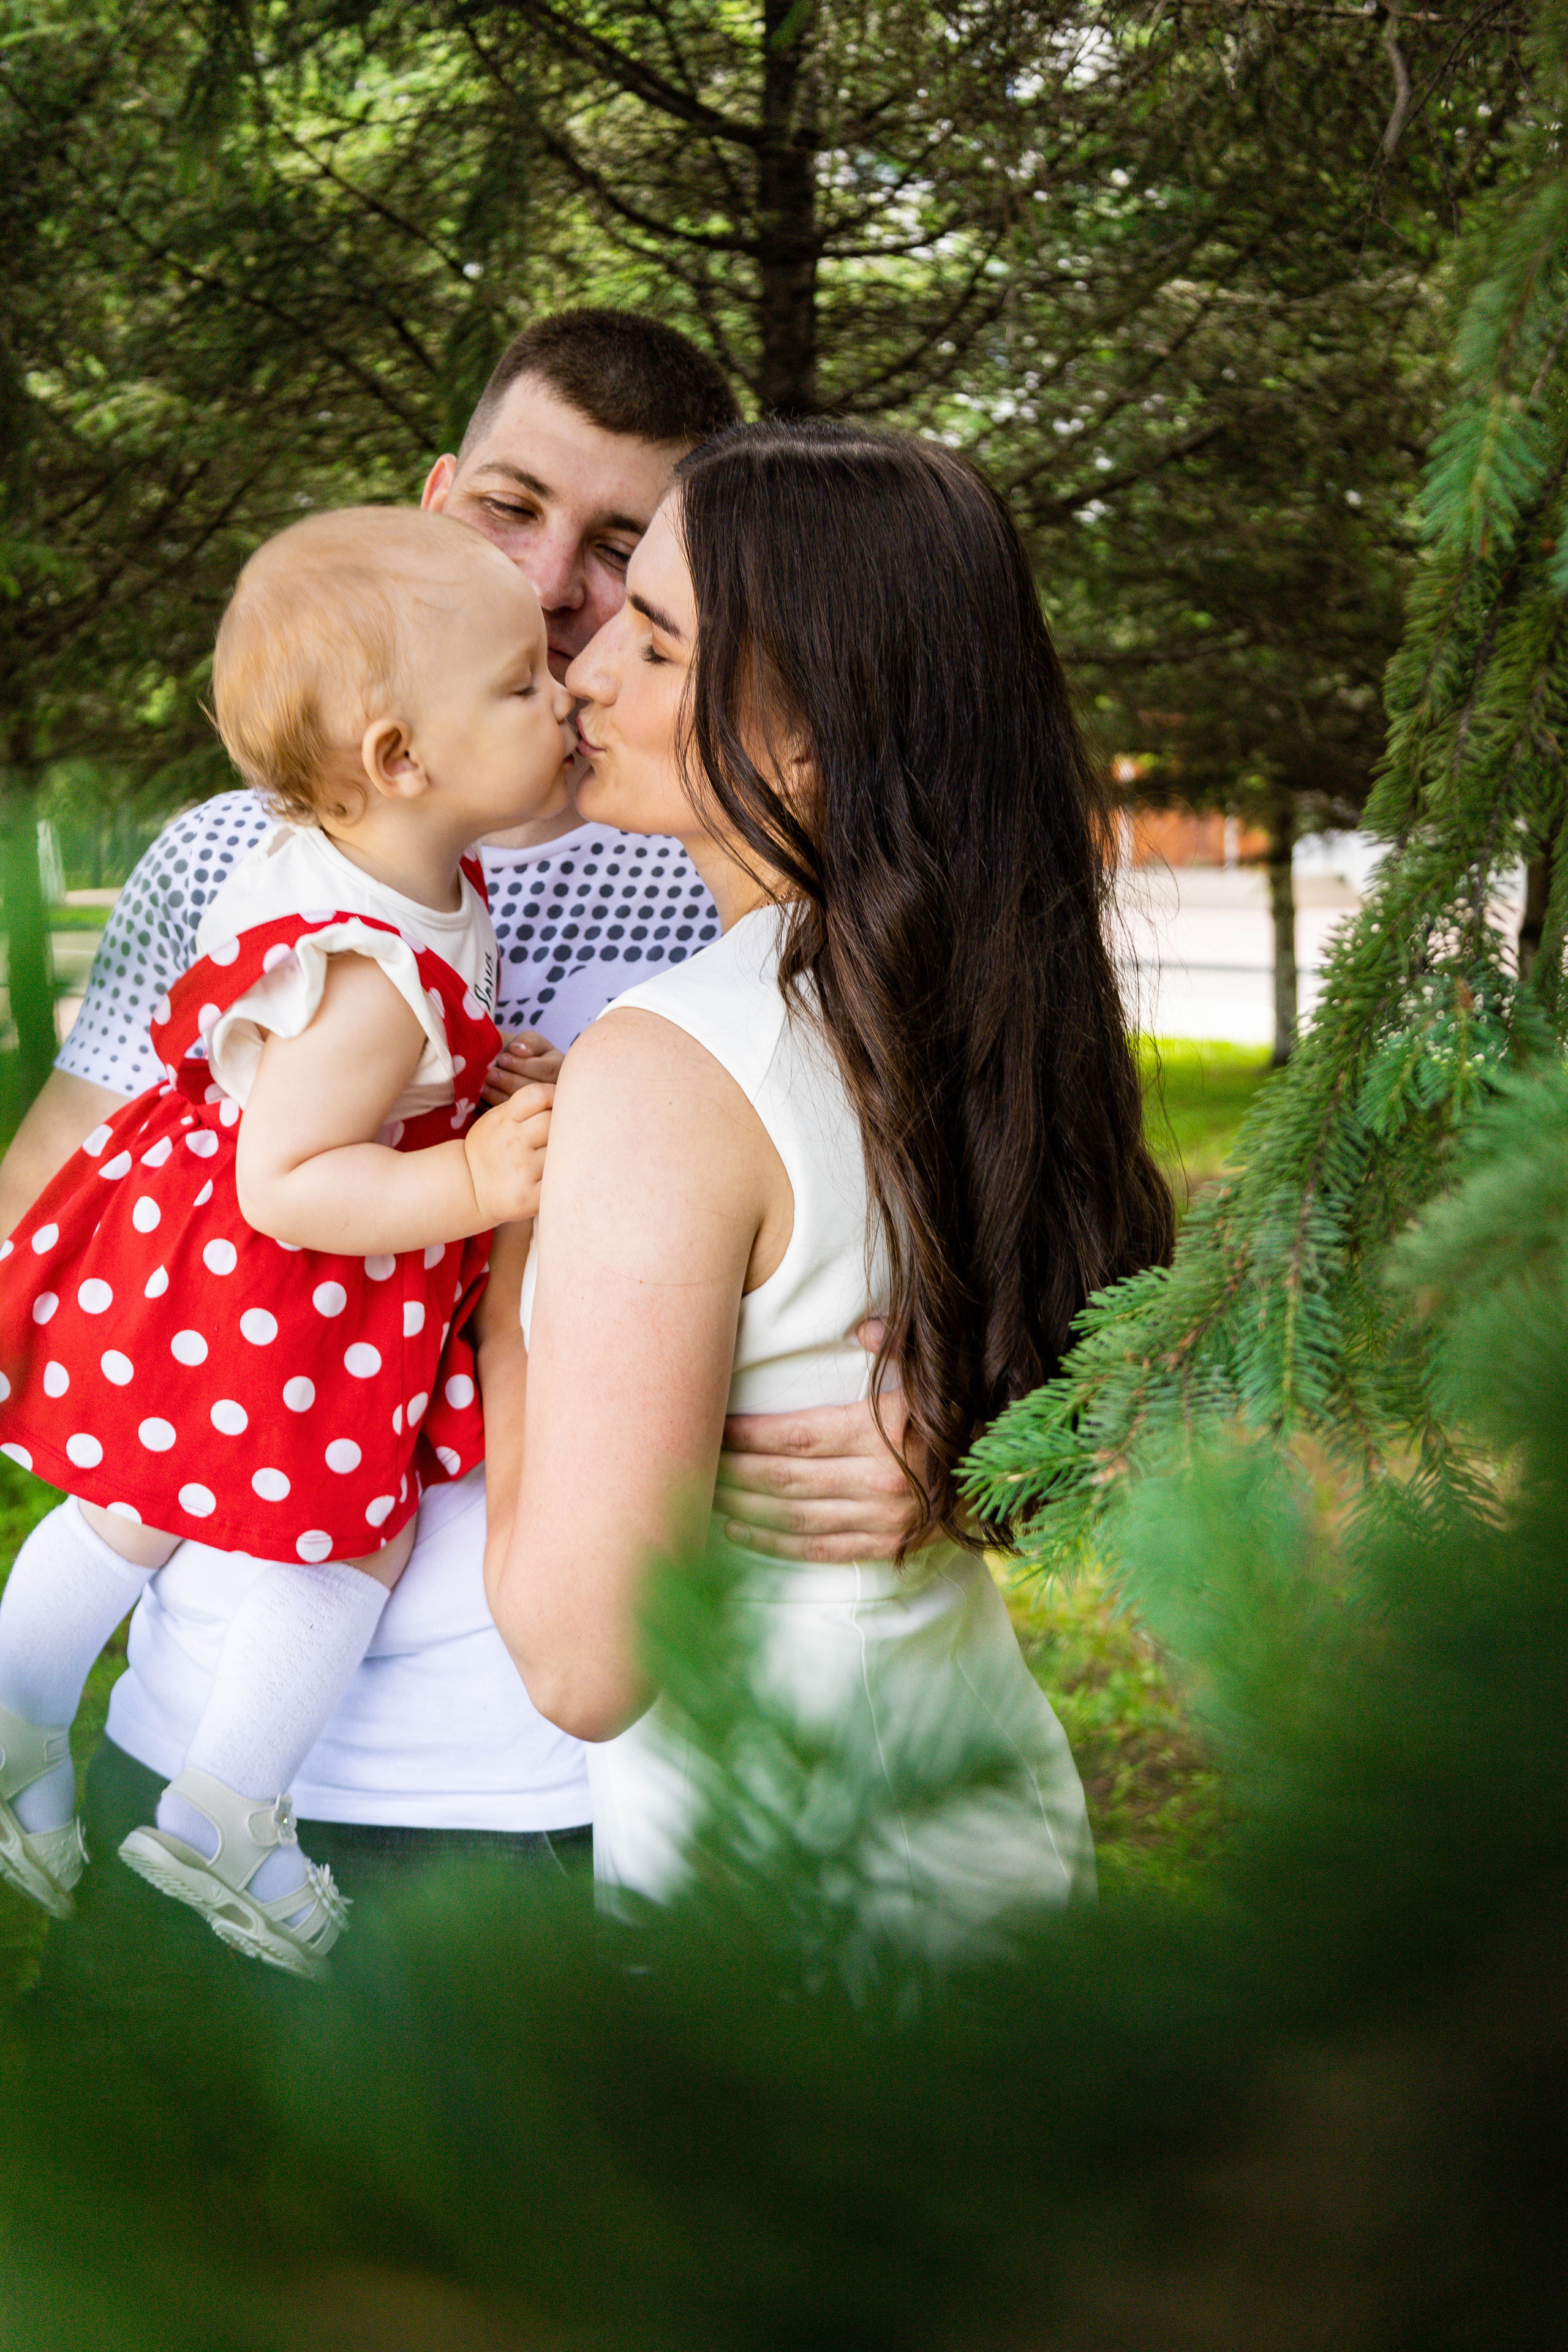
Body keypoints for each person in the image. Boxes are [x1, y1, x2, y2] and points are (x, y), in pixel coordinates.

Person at [0, 312, 921, 1936]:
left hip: (575, 1784)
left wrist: (960, 1442)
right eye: (512, 508)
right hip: (208, 1715)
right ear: (435, 499)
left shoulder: (733, 852)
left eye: (624, 552)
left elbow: (972, 1228)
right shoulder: (237, 859)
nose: (561, 587)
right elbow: (48, 1204)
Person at [487, 421, 1177, 1932]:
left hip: (791, 1904)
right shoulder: (961, 1010)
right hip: (971, 1812)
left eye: (657, 648)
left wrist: (501, 1282)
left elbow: (586, 1663)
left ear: (810, 731)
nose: (586, 671)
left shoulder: (672, 1064)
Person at [0, 510, 569, 1972]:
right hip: (292, 1280)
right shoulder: (370, 970)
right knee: (353, 1531)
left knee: (137, 1499)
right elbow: (293, 1181)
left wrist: (471, 1072)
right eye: (521, 683)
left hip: (196, 1268)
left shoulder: (371, 868)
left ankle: (14, 1724)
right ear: (399, 758)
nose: (561, 695)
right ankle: (224, 1815)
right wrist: (478, 1185)